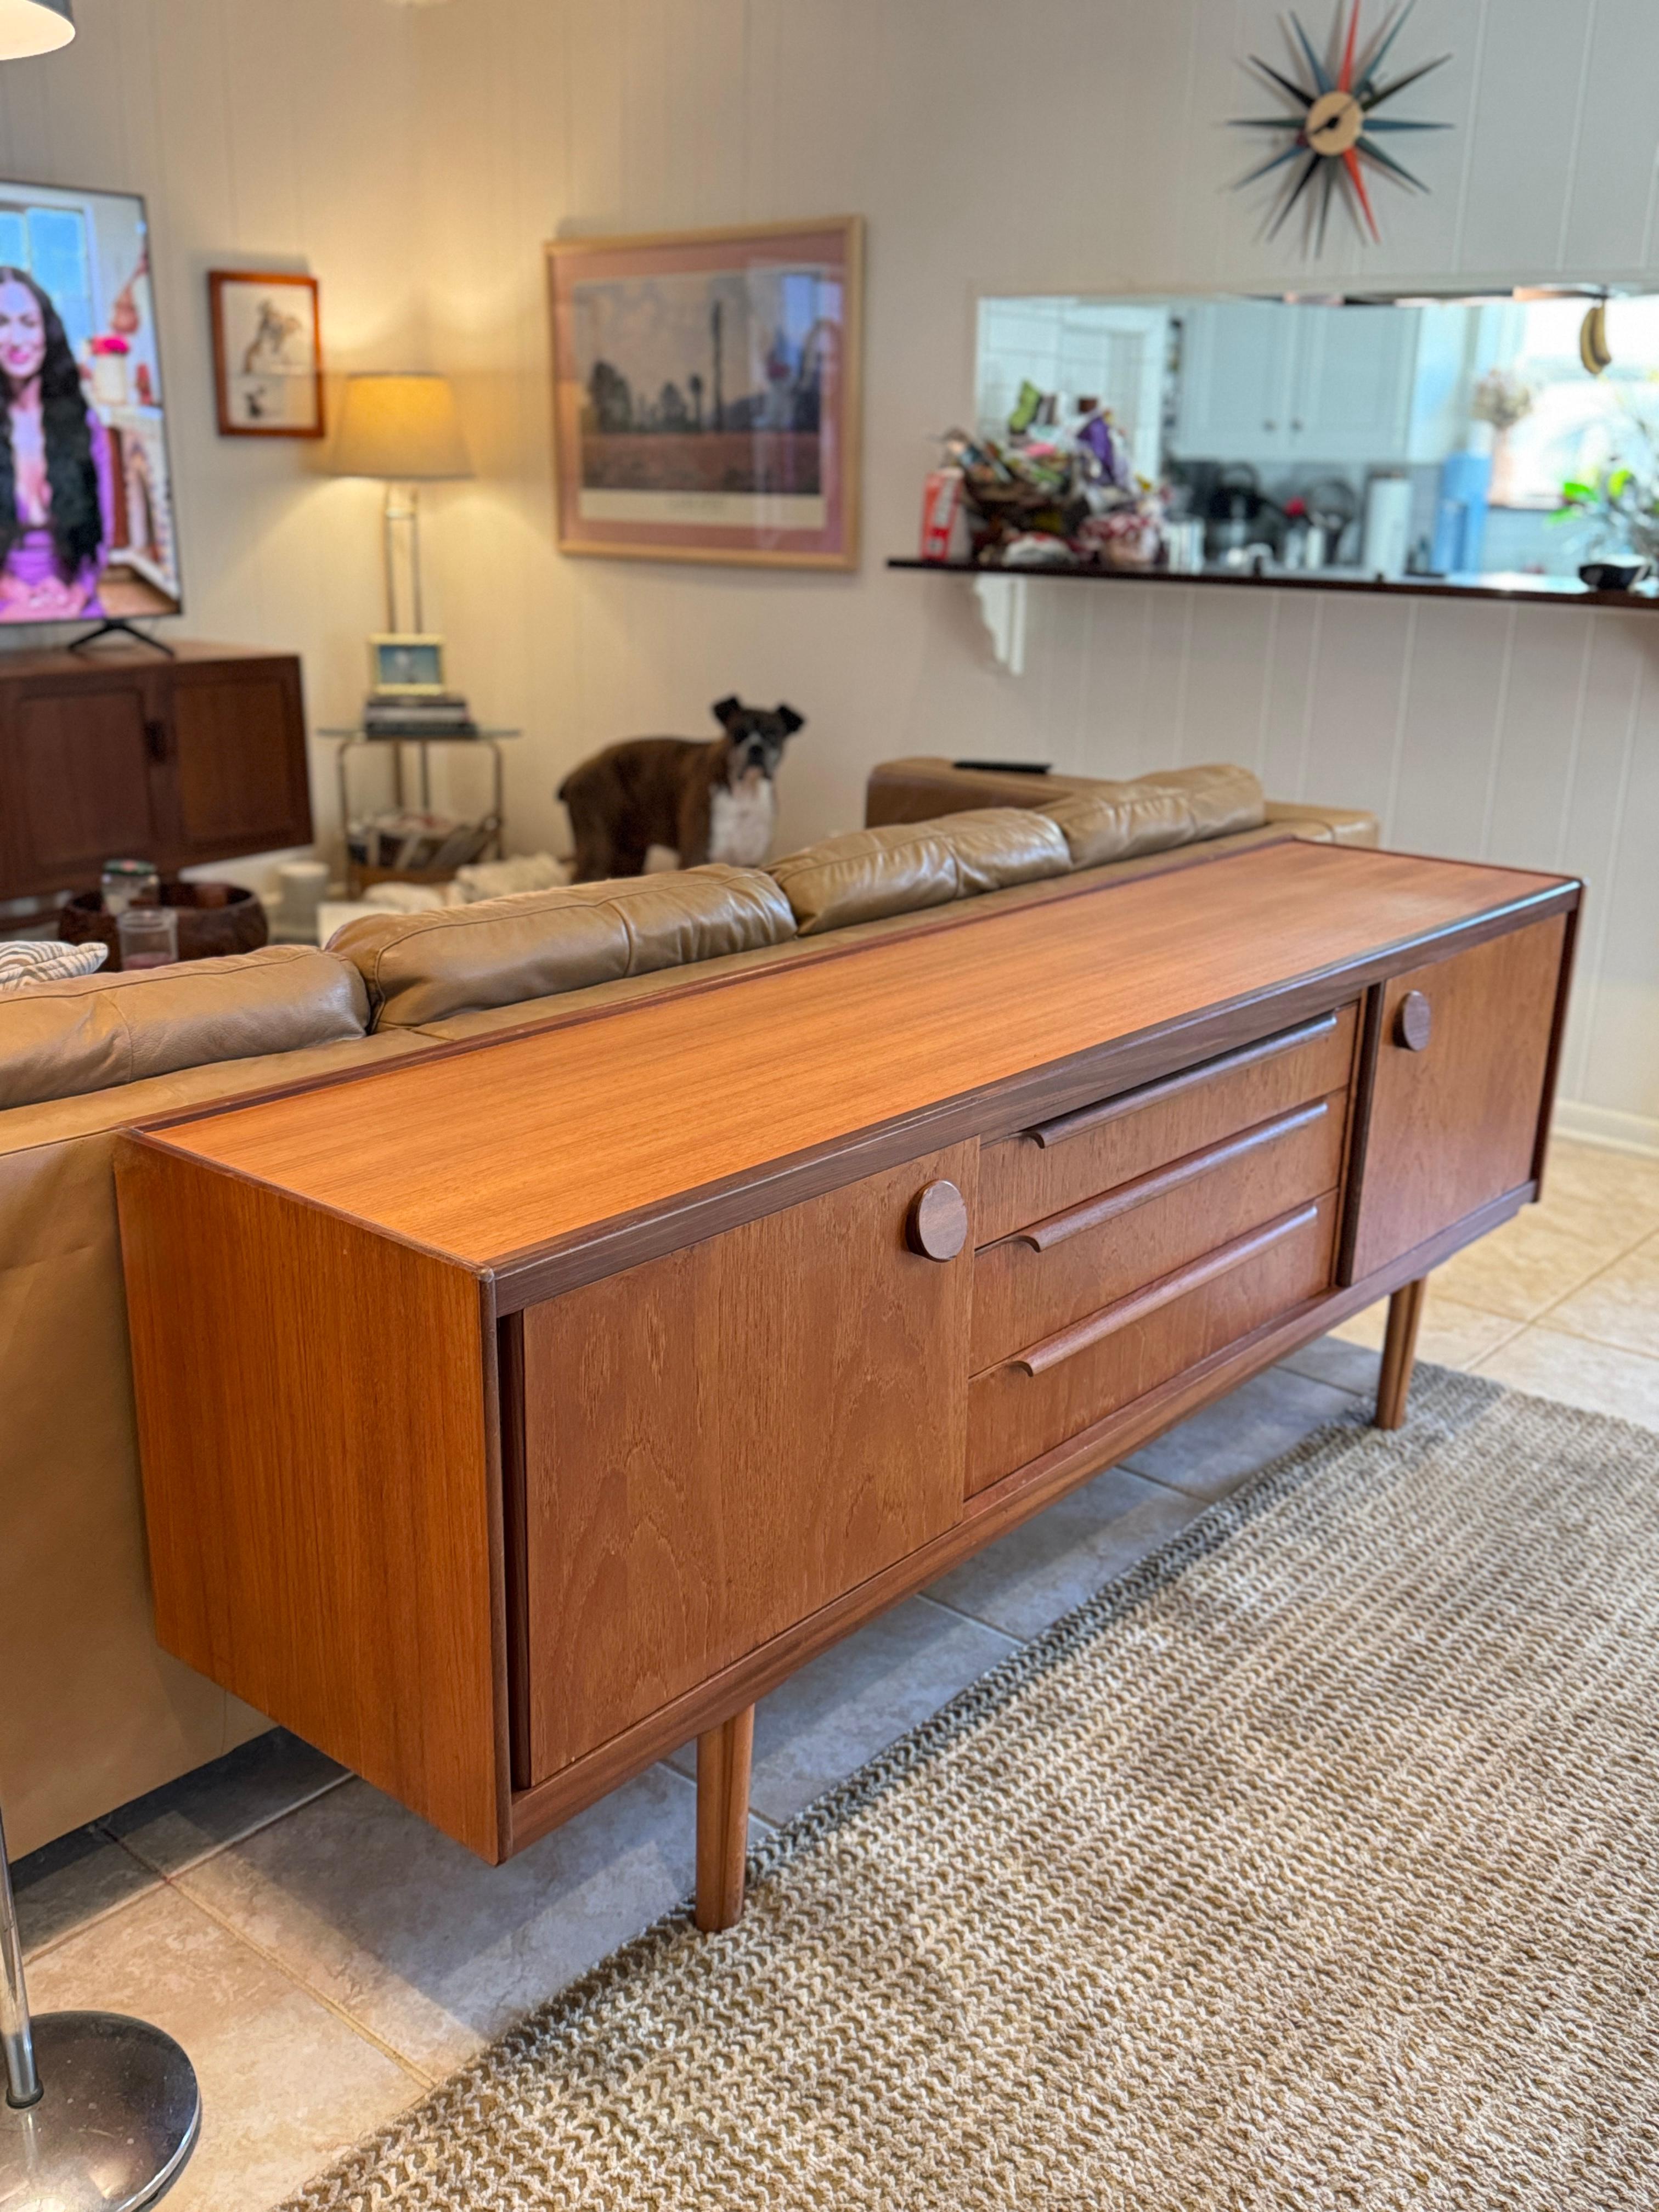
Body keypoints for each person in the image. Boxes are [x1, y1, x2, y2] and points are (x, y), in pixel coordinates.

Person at [0, 267, 114, 621]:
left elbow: (102, 533)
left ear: (47, 332)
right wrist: (13, 593)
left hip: (70, 597)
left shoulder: (85, 425)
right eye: (2, 323)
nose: (17, 339)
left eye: (28, 322)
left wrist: (77, 593)